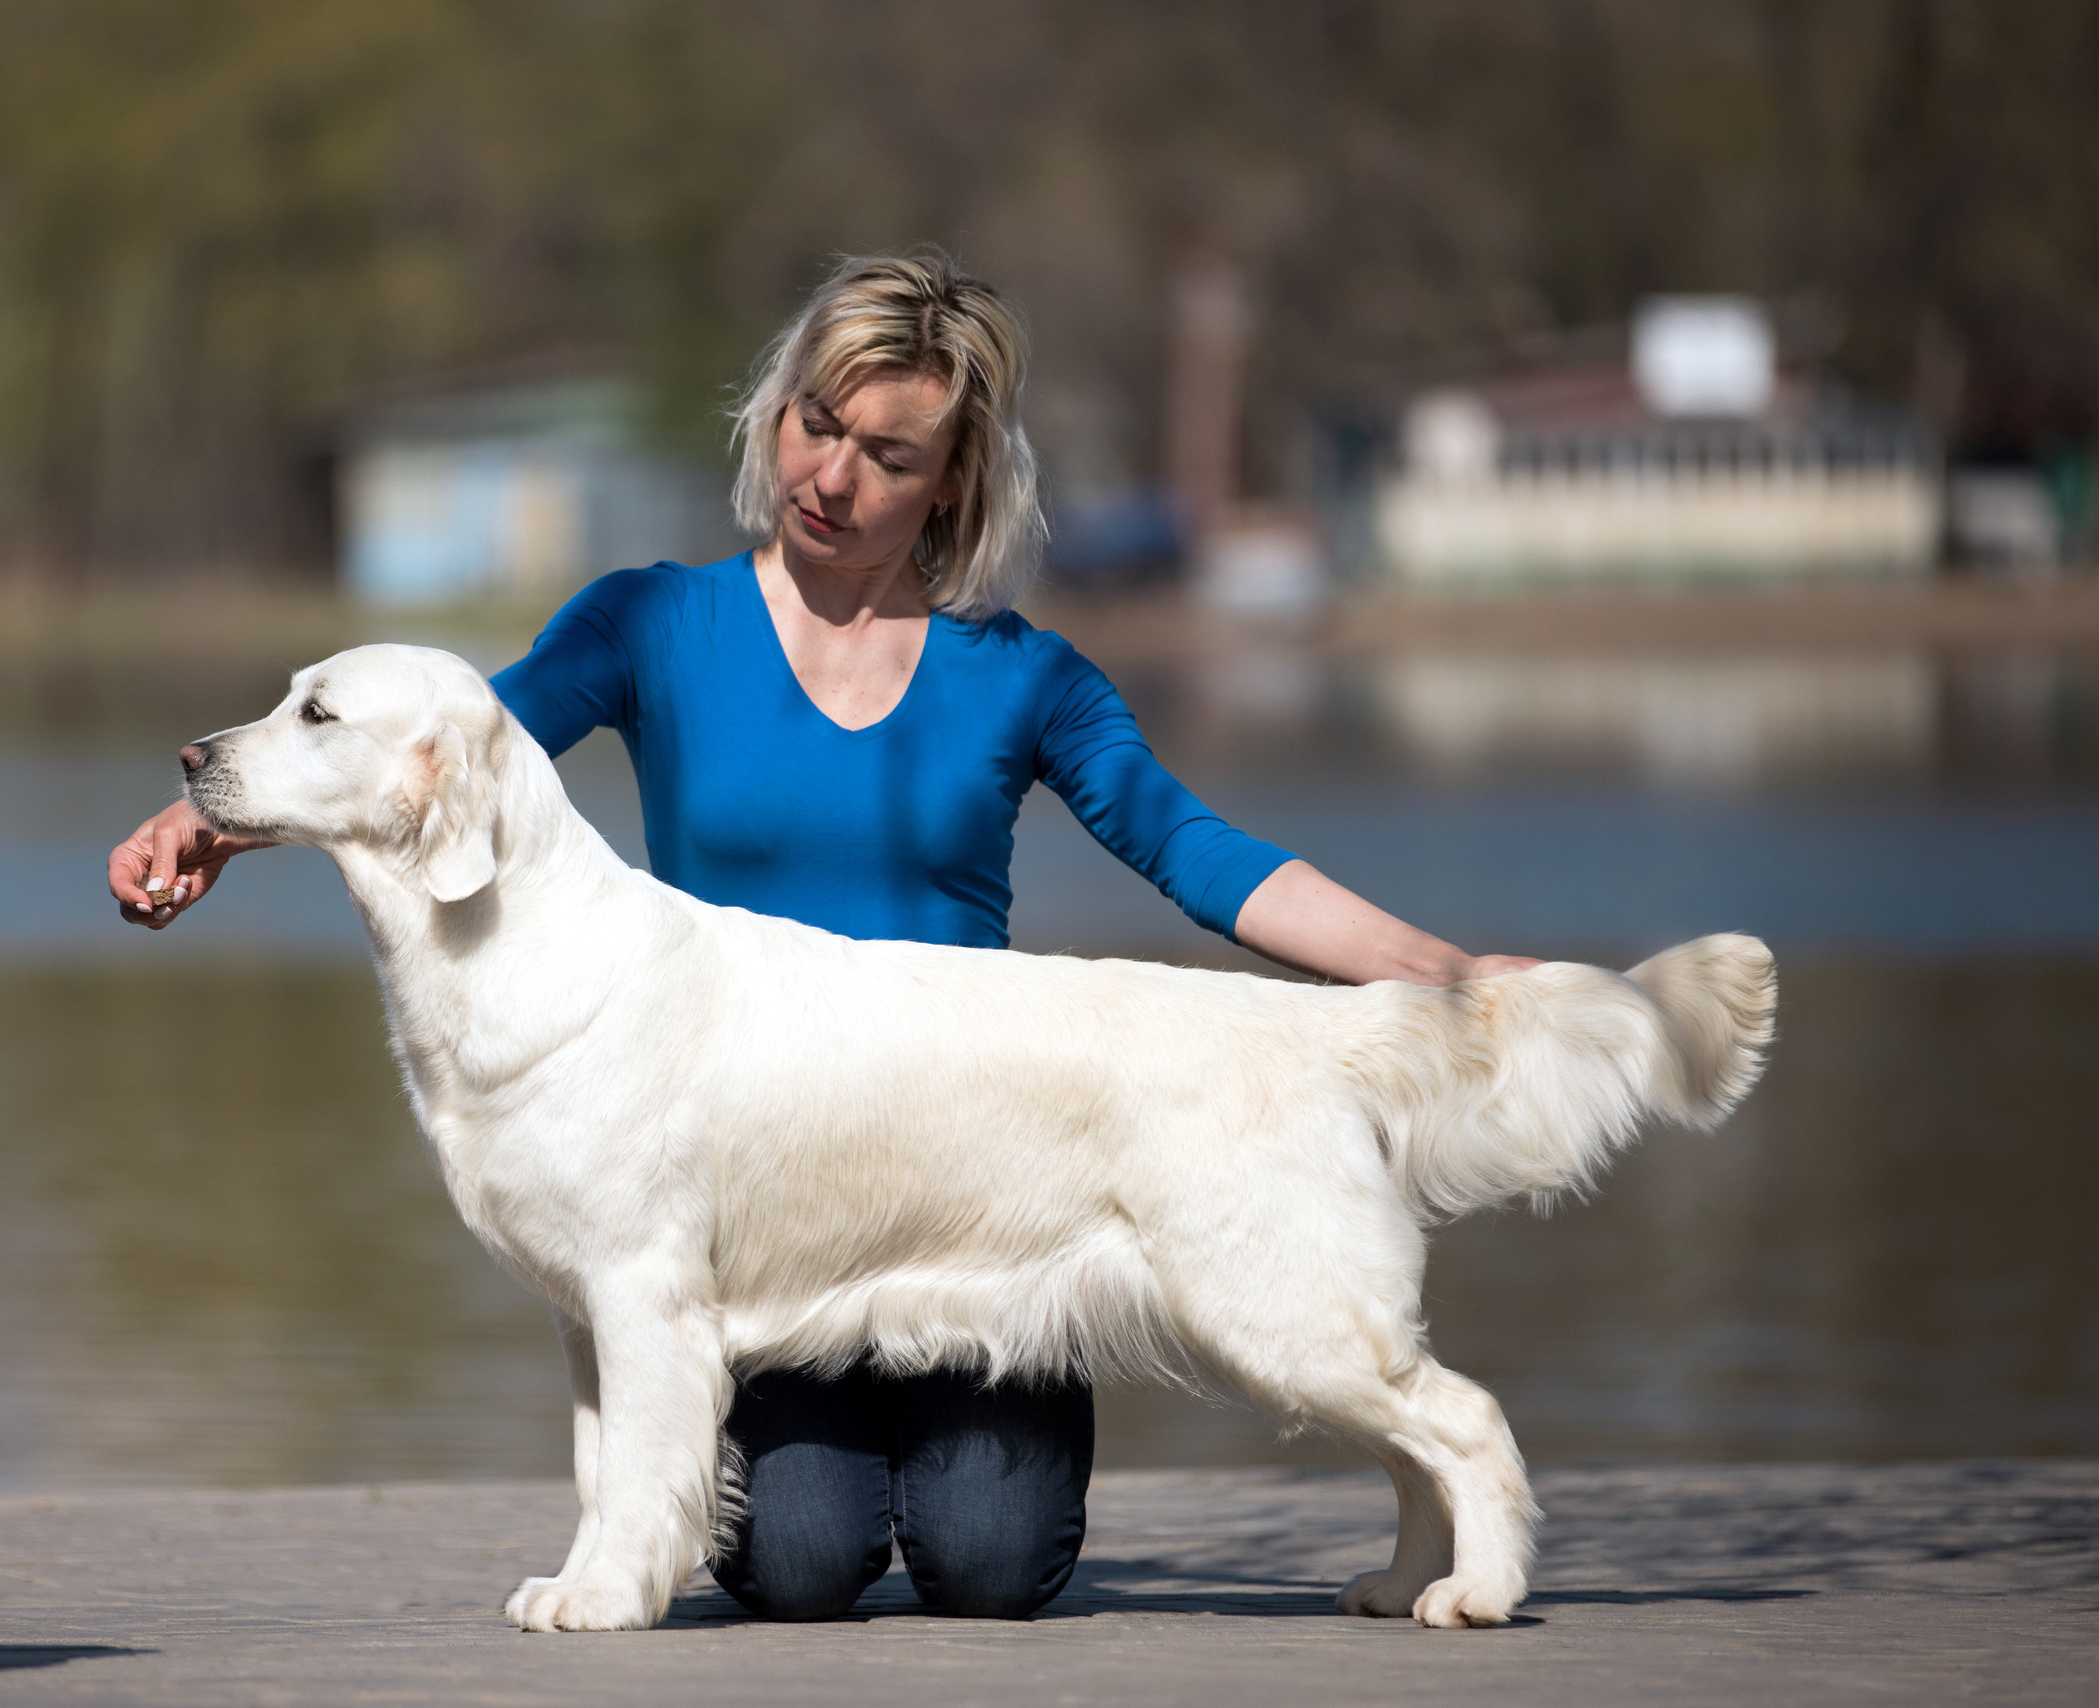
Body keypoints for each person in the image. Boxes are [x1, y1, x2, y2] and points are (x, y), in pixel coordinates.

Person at [108, 253, 1538, 1622]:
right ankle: (680, 1528)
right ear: (778, 411)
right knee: (794, 1565)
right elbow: (436, 745)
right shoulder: (652, 623)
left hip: (993, 1168)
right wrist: (214, 828)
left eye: (889, 456)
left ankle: (1450, 1483)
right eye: (815, 425)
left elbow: (1194, 852)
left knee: (989, 1562)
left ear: (952, 483)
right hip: (760, 1175)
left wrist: (1445, 979)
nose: (831, 477)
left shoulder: (1019, 673)